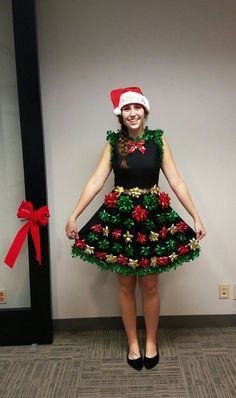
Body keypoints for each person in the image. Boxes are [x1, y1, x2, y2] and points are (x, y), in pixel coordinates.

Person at [65, 86, 206, 371]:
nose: (132, 113)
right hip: (121, 220)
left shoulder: (158, 140)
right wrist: (74, 215)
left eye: (137, 108)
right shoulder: (113, 143)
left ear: (145, 111)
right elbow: (95, 180)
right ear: (121, 114)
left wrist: (196, 216)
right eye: (127, 109)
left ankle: (150, 341)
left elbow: (176, 180)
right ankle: (132, 343)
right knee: (126, 284)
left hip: (152, 218)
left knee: (150, 285)